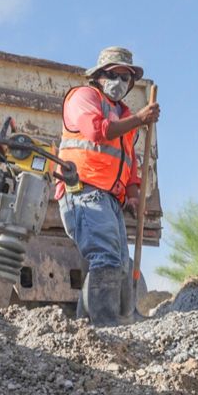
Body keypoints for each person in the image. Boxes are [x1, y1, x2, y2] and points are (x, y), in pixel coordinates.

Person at [57, 46, 160, 326]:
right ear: (100, 76)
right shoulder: (84, 97)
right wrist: (139, 119)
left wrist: (133, 192)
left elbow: (129, 163)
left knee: (120, 264)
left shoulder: (123, 114)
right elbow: (95, 131)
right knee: (106, 258)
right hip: (84, 191)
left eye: (127, 78)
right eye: (115, 75)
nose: (121, 83)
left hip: (109, 200)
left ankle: (93, 323)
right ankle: (105, 326)